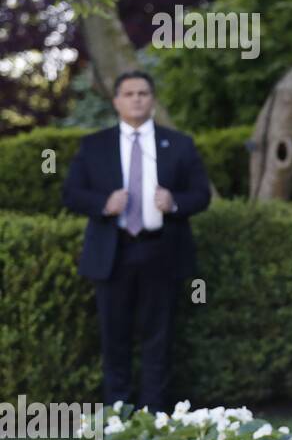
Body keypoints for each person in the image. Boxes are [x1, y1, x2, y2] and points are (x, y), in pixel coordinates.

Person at [62, 71, 211, 412]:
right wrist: (103, 203)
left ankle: (155, 418)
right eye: (128, 93)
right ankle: (118, 417)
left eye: (143, 93)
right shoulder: (94, 145)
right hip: (113, 253)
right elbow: (71, 193)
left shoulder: (179, 144)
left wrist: (174, 203)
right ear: (116, 101)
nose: (136, 99)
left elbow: (201, 195)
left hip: (162, 250)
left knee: (159, 339)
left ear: (152, 100)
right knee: (114, 339)